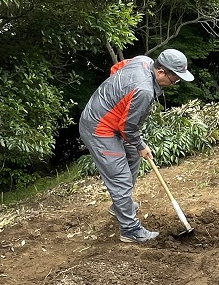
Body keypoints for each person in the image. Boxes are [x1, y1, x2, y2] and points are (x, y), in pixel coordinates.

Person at [79, 49, 194, 243]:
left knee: (133, 156)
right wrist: (141, 145)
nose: (174, 83)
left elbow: (116, 68)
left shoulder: (143, 61)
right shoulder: (144, 91)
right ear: (161, 72)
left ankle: (120, 205)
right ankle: (130, 230)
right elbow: (128, 127)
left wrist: (118, 99)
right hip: (99, 128)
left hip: (114, 122)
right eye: (174, 79)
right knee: (121, 178)